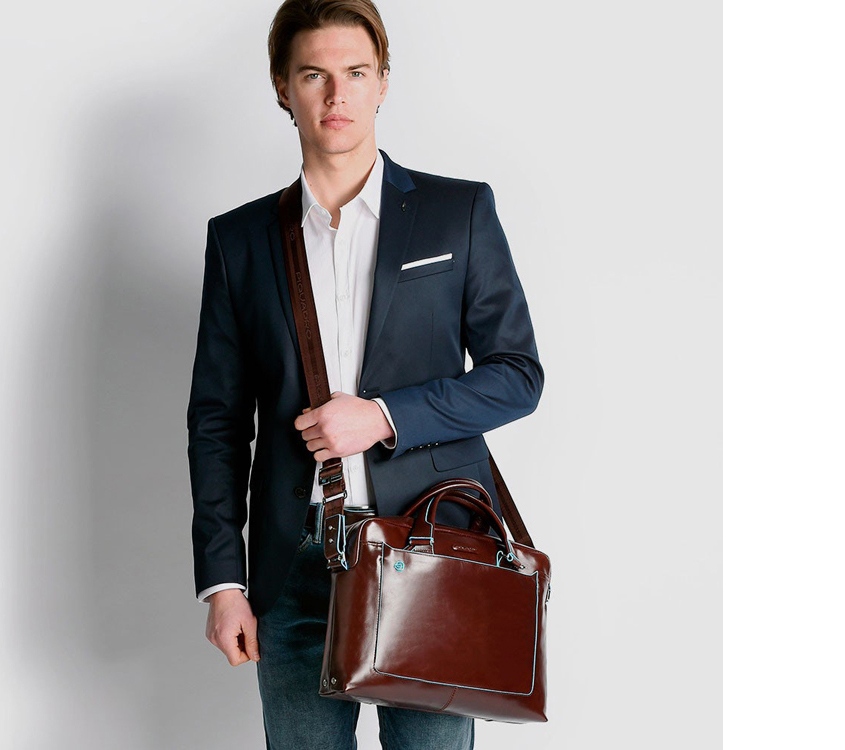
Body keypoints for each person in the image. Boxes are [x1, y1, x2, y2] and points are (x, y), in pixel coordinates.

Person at [187, 1, 543, 747]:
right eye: (313, 75)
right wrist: (224, 582)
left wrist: (385, 416)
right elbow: (217, 421)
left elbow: (517, 375)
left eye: (355, 72)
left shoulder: (457, 212)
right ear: (283, 87)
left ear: (383, 81)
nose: (336, 94)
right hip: (293, 565)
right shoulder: (239, 240)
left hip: (431, 550)